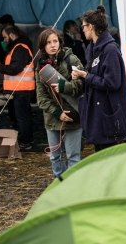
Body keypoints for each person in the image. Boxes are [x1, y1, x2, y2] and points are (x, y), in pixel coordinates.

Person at [71, 5, 126, 152]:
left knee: (107, 157)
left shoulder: (110, 50)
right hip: (97, 115)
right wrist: (82, 73)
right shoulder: (94, 48)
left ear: (91, 26)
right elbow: (96, 74)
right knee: (100, 155)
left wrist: (87, 76)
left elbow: (113, 82)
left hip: (107, 116)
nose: (82, 29)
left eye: (84, 26)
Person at [35, 28, 84, 178]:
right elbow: (41, 98)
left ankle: (73, 189)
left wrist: (66, 86)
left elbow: (84, 84)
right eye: (48, 42)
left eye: (55, 41)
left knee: (74, 156)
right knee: (55, 157)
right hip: (53, 118)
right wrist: (57, 113)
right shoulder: (40, 67)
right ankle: (59, 186)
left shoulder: (72, 60)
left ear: (60, 42)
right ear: (43, 46)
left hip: (73, 115)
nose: (52, 45)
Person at [0, 26, 35, 150]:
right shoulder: (18, 47)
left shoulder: (20, 48)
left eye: (5, 37)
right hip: (20, 88)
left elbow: (15, 68)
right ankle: (27, 139)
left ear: (11, 36)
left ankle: (25, 142)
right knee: (24, 116)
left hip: (22, 89)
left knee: (22, 117)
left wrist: (0, 67)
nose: (4, 41)